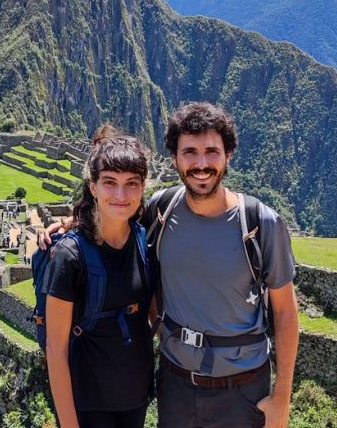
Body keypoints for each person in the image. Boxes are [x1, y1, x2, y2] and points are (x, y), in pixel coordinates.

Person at [43, 102, 299, 428]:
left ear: (228, 156)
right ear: (175, 159)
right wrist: (70, 224)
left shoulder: (259, 223)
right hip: (176, 386)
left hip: (242, 388)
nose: (201, 164)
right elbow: (116, 212)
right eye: (190, 152)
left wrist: (283, 396)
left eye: (211, 152)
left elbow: (286, 312)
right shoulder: (163, 211)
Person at [43, 125, 154, 428]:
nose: (121, 194)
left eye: (131, 183)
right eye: (109, 182)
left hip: (135, 395)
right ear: (93, 187)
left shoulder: (144, 238)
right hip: (89, 402)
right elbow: (56, 348)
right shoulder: (70, 256)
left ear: (143, 187)